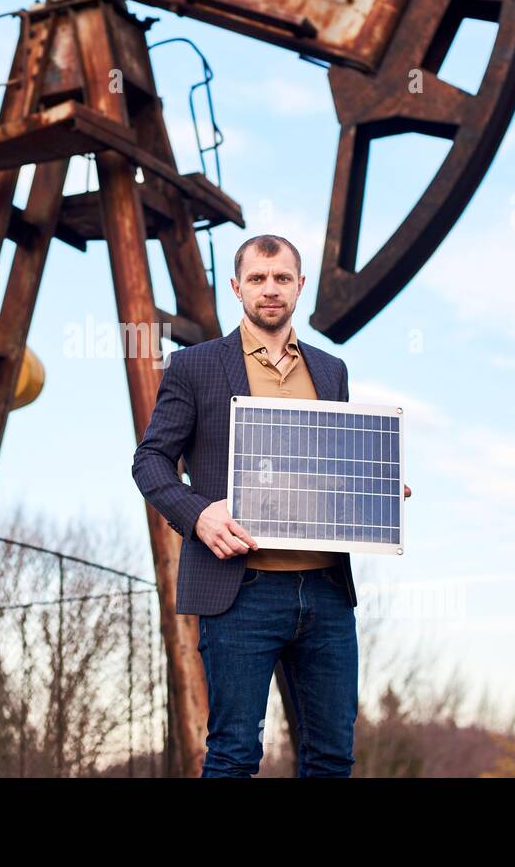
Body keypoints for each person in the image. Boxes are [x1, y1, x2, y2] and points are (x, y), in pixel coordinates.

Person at [131, 233, 409, 777]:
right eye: (257, 279)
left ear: (299, 286)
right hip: (242, 592)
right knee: (235, 753)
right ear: (237, 288)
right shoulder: (194, 366)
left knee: (331, 758)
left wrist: (373, 487)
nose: (270, 289)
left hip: (327, 594)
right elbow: (150, 462)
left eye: (282, 278)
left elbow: (331, 463)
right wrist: (197, 515)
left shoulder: (331, 372)